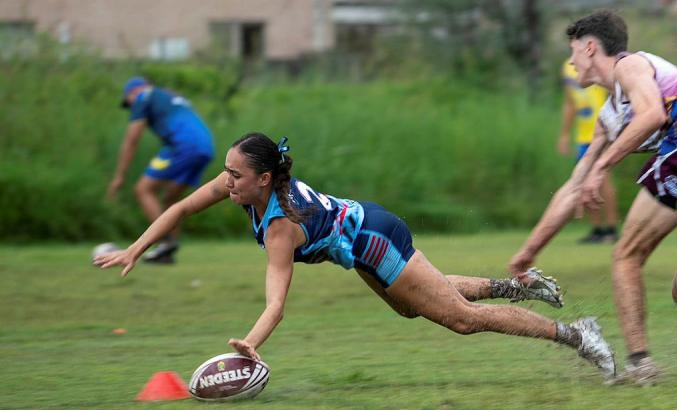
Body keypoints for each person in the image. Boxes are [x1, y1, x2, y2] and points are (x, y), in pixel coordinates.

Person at [95, 132, 616, 380]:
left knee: (459, 320)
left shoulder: (280, 226)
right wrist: (135, 249)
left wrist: (249, 344)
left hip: (373, 236)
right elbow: (183, 207)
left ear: (265, 179)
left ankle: (577, 333)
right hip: (357, 243)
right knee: (413, 305)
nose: (225, 180)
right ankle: (518, 287)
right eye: (226, 171)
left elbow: (275, 304)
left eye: (235, 174)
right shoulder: (243, 187)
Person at [508, 10, 677, 385]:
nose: (572, 62)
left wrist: (604, 167)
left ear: (591, 47)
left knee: (625, 256)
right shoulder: (610, 115)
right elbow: (575, 185)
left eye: (574, 52)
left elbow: (652, 115)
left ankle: (641, 365)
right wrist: (529, 252)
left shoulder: (630, 66)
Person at [106, 76, 215, 264]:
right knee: (171, 199)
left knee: (143, 190)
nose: (131, 107)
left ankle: (165, 241)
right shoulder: (170, 96)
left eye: (128, 103)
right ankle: (166, 253)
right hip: (205, 147)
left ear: (133, 93)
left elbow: (132, 140)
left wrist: (119, 176)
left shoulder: (142, 97)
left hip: (183, 146)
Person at [558, 59, 618, 243]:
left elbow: (614, 93)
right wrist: (565, 134)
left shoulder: (597, 63)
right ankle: (598, 229)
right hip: (582, 135)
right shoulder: (567, 67)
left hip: (601, 131)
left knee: (602, 179)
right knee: (584, 180)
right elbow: (570, 103)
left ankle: (611, 228)